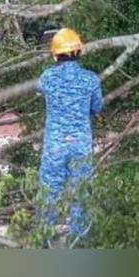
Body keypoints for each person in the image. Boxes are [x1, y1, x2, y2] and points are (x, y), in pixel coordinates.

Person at [37, 27, 103, 245]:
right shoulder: (91, 80)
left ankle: (45, 241)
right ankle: (80, 242)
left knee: (49, 192)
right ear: (79, 51)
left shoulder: (46, 78)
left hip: (55, 145)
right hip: (80, 145)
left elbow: (43, 93)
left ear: (55, 55)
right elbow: (97, 107)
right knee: (80, 193)